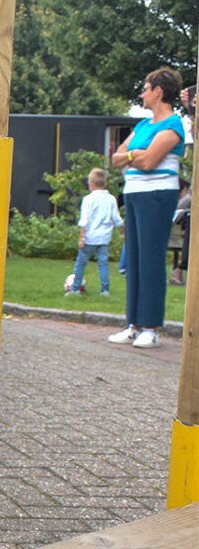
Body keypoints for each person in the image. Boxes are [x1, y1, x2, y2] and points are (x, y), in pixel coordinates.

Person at [108, 67, 186, 350]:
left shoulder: (173, 125)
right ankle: (133, 324)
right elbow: (115, 159)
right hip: (134, 194)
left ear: (158, 91)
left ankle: (150, 328)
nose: (142, 93)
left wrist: (132, 155)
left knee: (151, 260)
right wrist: (132, 155)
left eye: (145, 88)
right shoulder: (142, 126)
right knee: (135, 260)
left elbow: (150, 161)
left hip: (157, 197)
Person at [66, 168, 122, 298]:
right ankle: (104, 290)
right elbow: (116, 218)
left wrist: (81, 237)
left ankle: (75, 288)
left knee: (81, 263)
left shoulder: (88, 199)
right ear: (105, 183)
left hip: (90, 237)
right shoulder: (111, 199)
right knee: (103, 264)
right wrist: (122, 228)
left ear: (91, 183)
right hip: (104, 238)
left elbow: (84, 220)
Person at [168, 177, 191, 287]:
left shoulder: (172, 203)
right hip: (182, 238)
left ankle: (180, 268)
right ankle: (181, 267)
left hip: (175, 237)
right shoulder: (187, 200)